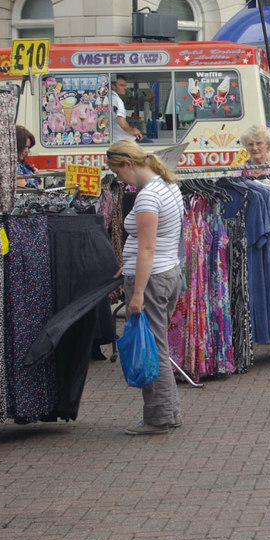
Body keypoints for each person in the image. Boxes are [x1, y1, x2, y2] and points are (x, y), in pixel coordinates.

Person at [107, 140, 184, 435]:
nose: (118, 179)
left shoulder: (148, 197)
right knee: (158, 346)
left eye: (117, 172)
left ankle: (159, 417)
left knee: (151, 349)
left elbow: (147, 249)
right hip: (167, 273)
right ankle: (169, 412)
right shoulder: (168, 185)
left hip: (152, 279)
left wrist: (137, 292)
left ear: (128, 164)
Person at [111, 75, 144, 142]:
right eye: (122, 85)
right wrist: (132, 130)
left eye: (125, 85)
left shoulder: (108, 98)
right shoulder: (117, 101)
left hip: (114, 137)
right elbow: (121, 120)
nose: (125, 88)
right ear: (113, 86)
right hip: (123, 139)